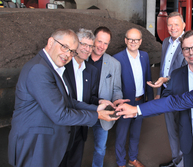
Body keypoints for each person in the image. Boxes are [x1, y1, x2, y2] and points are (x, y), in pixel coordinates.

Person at [8, 29, 117, 167]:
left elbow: (67, 101)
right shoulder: (39, 69)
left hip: (47, 140)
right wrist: (97, 115)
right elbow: (60, 114)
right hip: (35, 144)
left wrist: (96, 108)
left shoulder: (53, 67)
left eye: (71, 51)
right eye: (64, 47)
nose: (67, 54)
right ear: (50, 42)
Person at [161, 30, 193, 167]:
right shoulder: (176, 75)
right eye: (186, 49)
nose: (191, 52)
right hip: (188, 135)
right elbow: (166, 97)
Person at [147, 11, 187, 167]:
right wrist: (159, 92)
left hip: (181, 93)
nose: (173, 27)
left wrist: (167, 80)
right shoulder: (165, 42)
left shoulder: (187, 43)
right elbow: (163, 68)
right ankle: (177, 161)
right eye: (170, 24)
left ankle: (184, 162)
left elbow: (186, 71)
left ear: (183, 25)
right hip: (166, 91)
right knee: (171, 130)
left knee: (182, 129)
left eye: (176, 24)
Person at [113, 28, 154, 167]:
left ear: (140, 41)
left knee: (136, 134)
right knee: (121, 135)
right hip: (125, 103)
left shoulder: (144, 56)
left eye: (136, 40)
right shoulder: (117, 58)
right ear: (125, 40)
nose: (133, 42)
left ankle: (132, 158)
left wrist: (150, 98)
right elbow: (115, 83)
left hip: (140, 102)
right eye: (130, 39)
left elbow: (148, 77)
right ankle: (120, 163)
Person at [60, 28, 101, 167]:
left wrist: (101, 102)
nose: (87, 49)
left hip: (81, 126)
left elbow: (92, 98)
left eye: (90, 46)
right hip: (63, 126)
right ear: (75, 44)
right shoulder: (62, 67)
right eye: (83, 44)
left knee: (75, 162)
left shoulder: (92, 71)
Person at [87, 26, 123, 167]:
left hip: (102, 112)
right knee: (74, 145)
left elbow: (116, 88)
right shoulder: (80, 58)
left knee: (100, 148)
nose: (102, 46)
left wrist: (117, 101)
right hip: (81, 109)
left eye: (106, 43)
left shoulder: (114, 64)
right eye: (99, 41)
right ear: (93, 40)